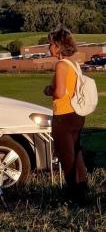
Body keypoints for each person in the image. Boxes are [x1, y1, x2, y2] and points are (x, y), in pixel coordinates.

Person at [44, 26, 88, 205]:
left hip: (63, 115)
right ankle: (82, 190)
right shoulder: (74, 64)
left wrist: (48, 90)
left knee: (66, 156)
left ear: (58, 45)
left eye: (50, 44)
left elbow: (60, 92)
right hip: (76, 114)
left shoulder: (61, 65)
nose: (49, 48)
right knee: (77, 154)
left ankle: (73, 196)